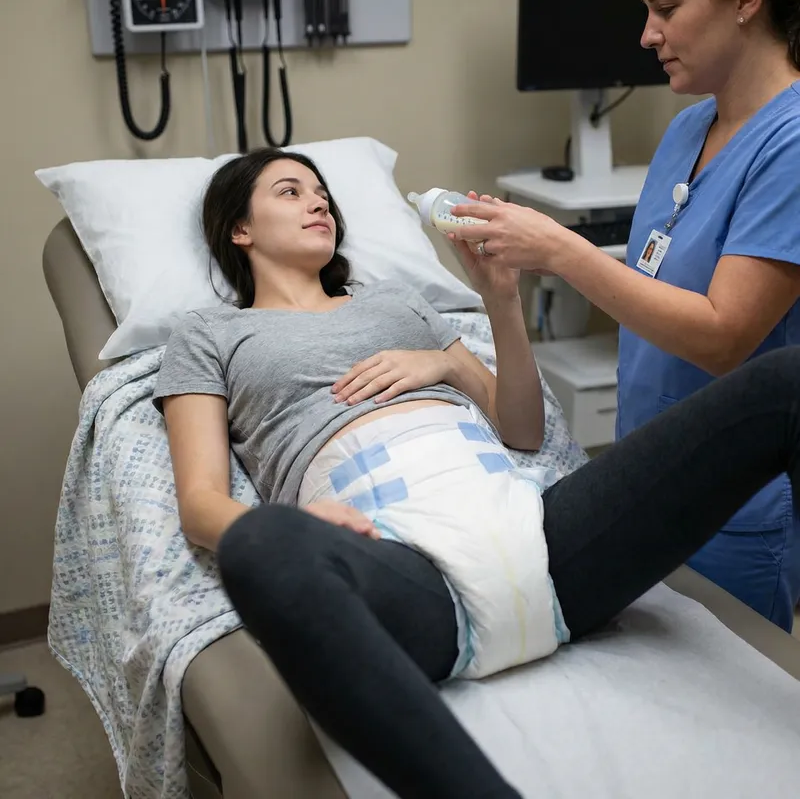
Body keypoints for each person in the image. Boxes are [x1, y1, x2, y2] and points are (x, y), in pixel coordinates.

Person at [154, 147, 800, 799]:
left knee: (787, 382)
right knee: (260, 543)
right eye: (291, 192)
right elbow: (200, 502)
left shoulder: (397, 304)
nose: (318, 201)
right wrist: (291, 524)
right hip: (400, 563)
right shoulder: (208, 335)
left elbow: (520, 429)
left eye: (321, 192)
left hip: (541, 537)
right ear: (240, 229)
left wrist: (484, 323)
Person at [450, 0, 800, 632]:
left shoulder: (791, 142)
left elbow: (724, 337)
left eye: (666, 7)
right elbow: (649, 286)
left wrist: (562, 250)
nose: (646, 34)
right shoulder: (689, 129)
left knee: (729, 702)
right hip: (649, 479)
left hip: (735, 505)